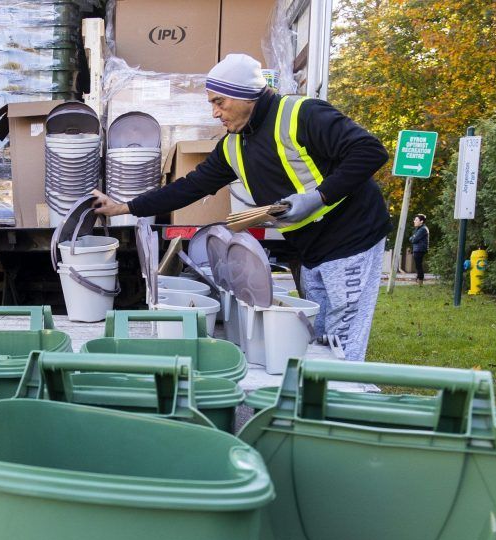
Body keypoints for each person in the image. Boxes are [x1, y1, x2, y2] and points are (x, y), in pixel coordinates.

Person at [93, 53, 391, 362]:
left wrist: (319, 197)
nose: (215, 113)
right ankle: (323, 389)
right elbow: (189, 187)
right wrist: (124, 207)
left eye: (219, 102)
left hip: (352, 237)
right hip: (312, 249)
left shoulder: (301, 114)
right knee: (320, 339)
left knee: (343, 342)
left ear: (246, 95)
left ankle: (345, 389)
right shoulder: (235, 144)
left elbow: (370, 151)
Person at [410, 214, 429, 284]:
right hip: (417, 249)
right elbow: (411, 238)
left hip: (420, 249)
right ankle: (419, 279)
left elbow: (414, 240)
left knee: (418, 265)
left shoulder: (423, 229)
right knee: (418, 265)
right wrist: (413, 237)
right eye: (414, 220)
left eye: (416, 220)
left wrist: (413, 237)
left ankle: (420, 280)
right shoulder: (418, 229)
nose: (414, 221)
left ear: (421, 221)